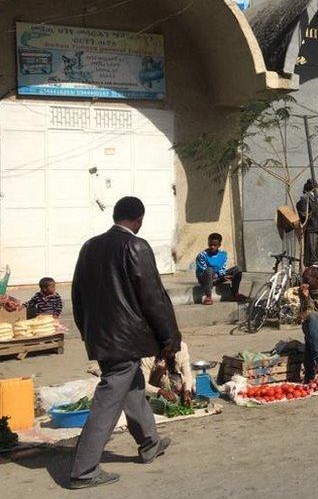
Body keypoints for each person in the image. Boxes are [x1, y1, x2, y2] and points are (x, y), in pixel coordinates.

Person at [70, 196, 181, 489]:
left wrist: (87, 332)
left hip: (102, 338)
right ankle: (84, 470)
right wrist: (168, 336)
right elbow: (153, 297)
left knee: (132, 386)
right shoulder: (136, 245)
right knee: (108, 400)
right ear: (138, 219)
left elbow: (77, 295)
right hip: (125, 339)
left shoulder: (89, 247)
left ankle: (150, 443)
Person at [195, 233, 244, 305]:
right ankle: (208, 296)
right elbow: (203, 271)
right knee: (209, 270)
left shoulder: (223, 254)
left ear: (219, 245)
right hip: (205, 279)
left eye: (215, 245)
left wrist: (222, 275)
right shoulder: (202, 255)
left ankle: (235, 293)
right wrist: (219, 276)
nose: (212, 247)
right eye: (210, 244)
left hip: (218, 277)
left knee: (238, 269)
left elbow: (222, 269)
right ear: (208, 243)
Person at [297, 179, 318, 267]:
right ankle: (314, 267)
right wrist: (309, 216)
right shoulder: (305, 198)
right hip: (312, 228)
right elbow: (303, 214)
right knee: (313, 250)